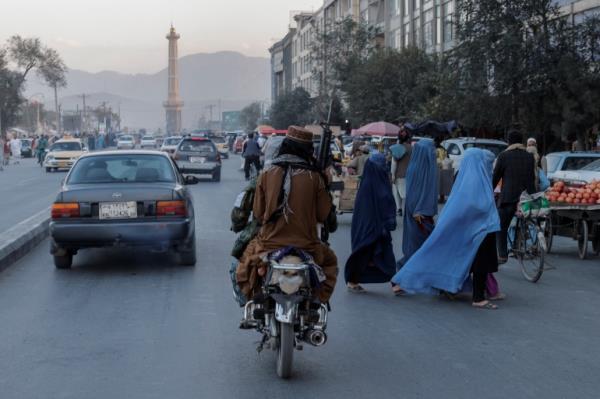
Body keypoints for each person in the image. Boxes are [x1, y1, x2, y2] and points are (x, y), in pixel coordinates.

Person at [236, 126, 338, 303]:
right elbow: (323, 215)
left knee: (244, 263)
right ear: (308, 150)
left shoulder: (266, 173)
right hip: (308, 246)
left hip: (268, 245)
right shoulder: (315, 177)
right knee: (330, 262)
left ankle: (253, 301)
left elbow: (259, 214)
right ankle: (317, 302)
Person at [392, 148, 502, 309]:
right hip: (480, 228)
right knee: (479, 263)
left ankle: (452, 288)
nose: (489, 166)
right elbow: (475, 205)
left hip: (475, 229)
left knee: (464, 260)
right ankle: (478, 298)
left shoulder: (468, 177)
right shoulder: (475, 180)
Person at [345, 153, 397, 293]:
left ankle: (395, 282)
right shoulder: (378, 185)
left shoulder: (367, 183)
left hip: (369, 229)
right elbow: (386, 203)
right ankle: (396, 283)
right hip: (375, 229)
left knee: (367, 255)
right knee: (378, 256)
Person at [493, 130, 536, 264]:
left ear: (508, 141)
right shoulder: (530, 157)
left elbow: (495, 177)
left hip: (508, 198)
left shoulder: (504, 156)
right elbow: (532, 177)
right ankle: (532, 245)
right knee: (531, 221)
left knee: (501, 226)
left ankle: (502, 255)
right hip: (527, 197)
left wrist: (489, 191)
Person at [397, 139, 438, 269]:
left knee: (415, 242)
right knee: (422, 244)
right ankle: (409, 272)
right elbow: (427, 189)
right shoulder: (427, 168)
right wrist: (421, 208)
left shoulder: (414, 166)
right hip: (420, 212)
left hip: (413, 209)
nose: (434, 152)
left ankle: (411, 270)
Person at [390, 132, 412, 216]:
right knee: (406, 192)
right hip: (410, 173)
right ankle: (405, 209)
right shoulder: (412, 148)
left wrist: (392, 175)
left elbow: (394, 163)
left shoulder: (396, 148)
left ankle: (399, 208)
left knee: (397, 191)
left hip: (399, 173)